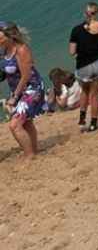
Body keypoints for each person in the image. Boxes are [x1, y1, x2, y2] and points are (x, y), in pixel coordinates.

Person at [0, 22, 46, 159]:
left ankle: (29, 155)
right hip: (18, 90)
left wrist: (14, 97)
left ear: (8, 35)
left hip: (32, 89)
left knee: (14, 125)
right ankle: (34, 151)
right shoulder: (3, 52)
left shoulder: (21, 49)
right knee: (26, 122)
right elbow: (5, 72)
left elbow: (26, 76)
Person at [68, 2, 98, 132]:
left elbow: (72, 51)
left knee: (84, 91)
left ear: (85, 13)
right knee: (95, 94)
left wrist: (80, 52)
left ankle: (82, 119)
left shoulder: (76, 30)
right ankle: (93, 123)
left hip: (83, 65)